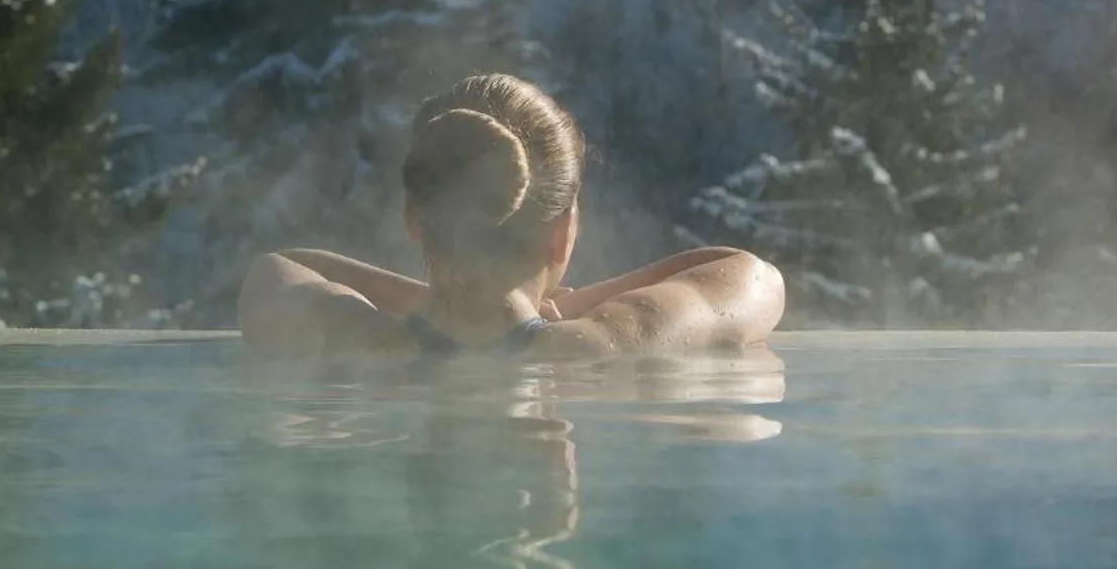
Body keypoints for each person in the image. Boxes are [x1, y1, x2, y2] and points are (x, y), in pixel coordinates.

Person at [238, 74, 785, 358]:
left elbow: (282, 266)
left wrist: (445, 298)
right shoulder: (608, 344)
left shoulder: (364, 343)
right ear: (561, 233)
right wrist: (570, 310)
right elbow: (749, 272)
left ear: (414, 218)